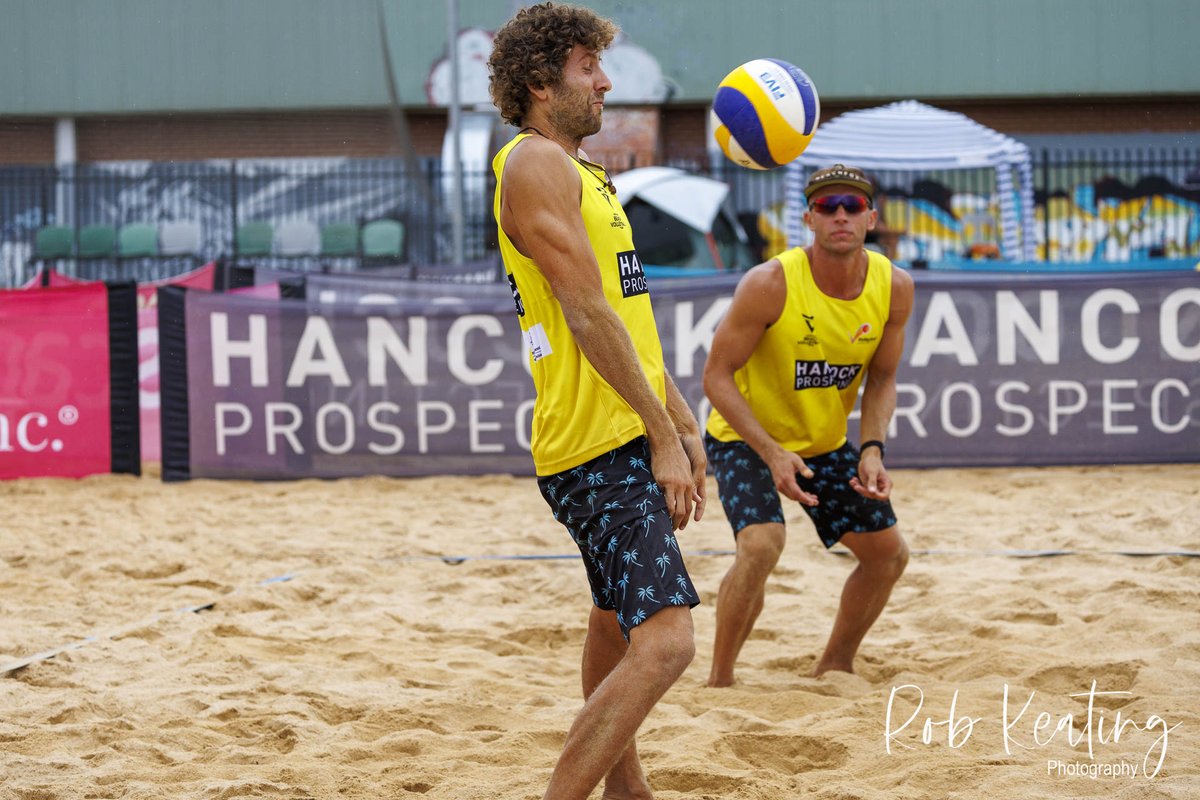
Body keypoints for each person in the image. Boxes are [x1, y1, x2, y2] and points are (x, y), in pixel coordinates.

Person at [487, 4, 707, 798]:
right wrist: (659, 436)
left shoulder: (585, 176)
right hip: (597, 442)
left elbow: (626, 323)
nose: (605, 81)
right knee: (669, 643)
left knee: (615, 622)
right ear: (542, 84)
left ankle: (626, 788)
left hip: (617, 429)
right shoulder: (532, 164)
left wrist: (683, 424)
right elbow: (583, 313)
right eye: (588, 68)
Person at [702, 163, 913, 686]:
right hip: (746, 438)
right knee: (761, 544)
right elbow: (716, 377)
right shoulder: (770, 282)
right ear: (809, 220)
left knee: (887, 556)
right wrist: (771, 452)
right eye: (826, 207)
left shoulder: (894, 286)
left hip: (823, 443)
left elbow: (883, 378)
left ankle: (836, 661)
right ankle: (721, 678)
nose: (840, 214)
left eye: (852, 206)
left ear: (871, 219)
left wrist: (872, 449)